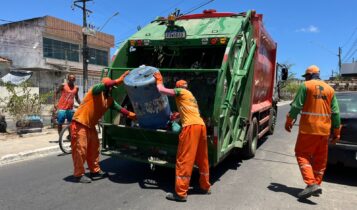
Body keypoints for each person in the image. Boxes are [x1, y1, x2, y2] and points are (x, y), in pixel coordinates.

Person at [285, 65, 341, 199]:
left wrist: (289, 121)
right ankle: (316, 184)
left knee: (301, 154)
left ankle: (311, 184)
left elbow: (296, 106)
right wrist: (336, 131)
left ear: (309, 75)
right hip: (324, 131)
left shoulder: (306, 86)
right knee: (320, 160)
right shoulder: (330, 89)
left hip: (308, 129)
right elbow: (336, 113)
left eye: (306, 76)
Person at [153, 71, 211, 202]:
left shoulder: (181, 92)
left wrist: (159, 79)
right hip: (200, 126)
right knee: (202, 158)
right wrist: (177, 115)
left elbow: (160, 90)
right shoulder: (191, 96)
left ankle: (181, 193)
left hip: (190, 127)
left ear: (179, 87)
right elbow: (190, 110)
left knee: (184, 159)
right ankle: (205, 186)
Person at [70, 71, 136, 183]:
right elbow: (103, 86)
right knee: (80, 150)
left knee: (94, 149)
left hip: (91, 126)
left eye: (112, 87)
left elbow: (119, 108)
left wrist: (130, 114)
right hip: (80, 123)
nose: (111, 89)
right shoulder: (95, 91)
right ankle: (78, 174)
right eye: (110, 87)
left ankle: (94, 171)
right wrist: (118, 80)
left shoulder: (109, 100)